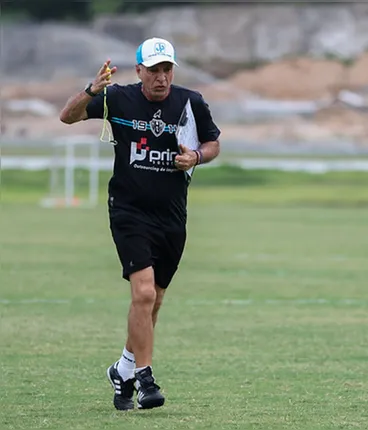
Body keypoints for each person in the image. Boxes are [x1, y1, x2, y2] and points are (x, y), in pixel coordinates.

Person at [58, 37, 221, 411]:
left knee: (153, 301)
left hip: (172, 216)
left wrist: (196, 156)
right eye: (154, 70)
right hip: (129, 210)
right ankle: (145, 378)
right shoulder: (117, 98)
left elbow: (213, 144)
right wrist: (90, 90)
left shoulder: (191, 102)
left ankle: (124, 368)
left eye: (167, 69)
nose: (162, 78)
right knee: (144, 294)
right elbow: (67, 116)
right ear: (139, 71)